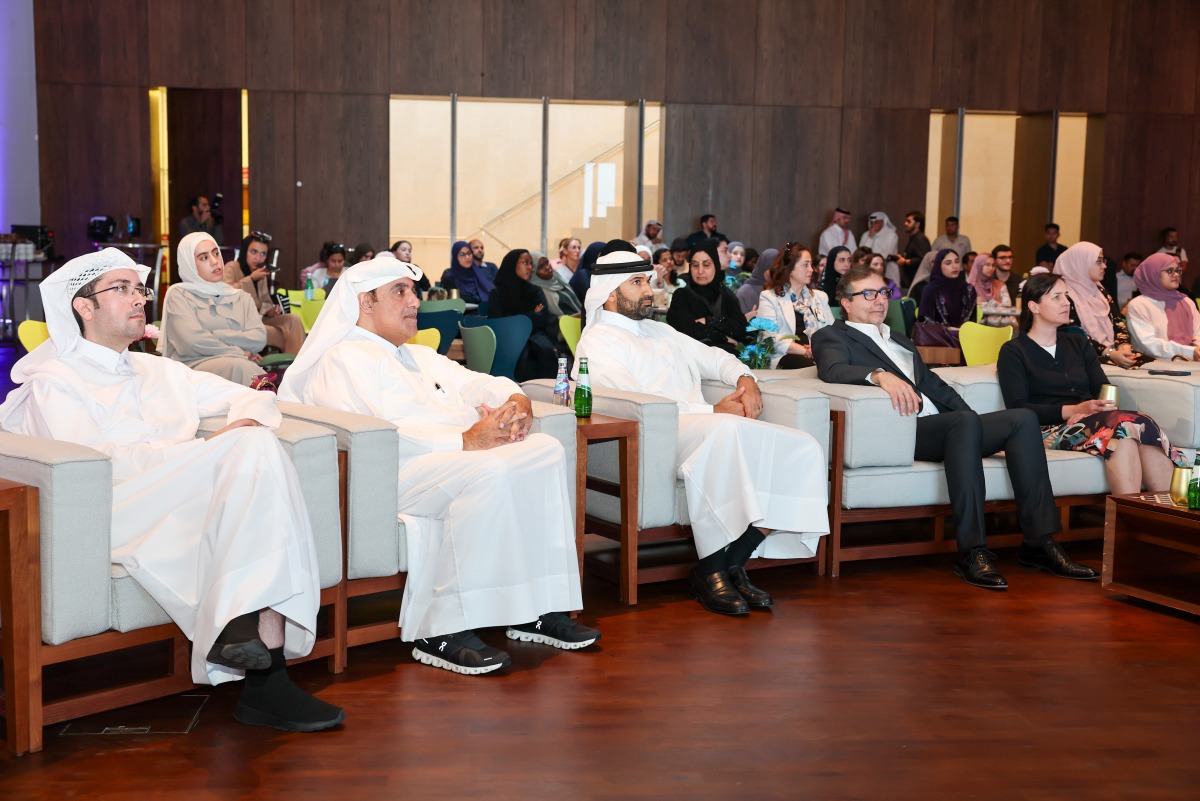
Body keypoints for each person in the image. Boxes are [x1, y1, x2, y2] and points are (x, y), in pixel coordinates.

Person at [0, 248, 343, 731]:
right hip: (117, 507)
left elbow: (257, 399)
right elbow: (95, 470)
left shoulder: (161, 371)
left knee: (257, 446)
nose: (138, 299)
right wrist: (206, 454)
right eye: (120, 289)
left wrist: (233, 436)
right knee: (249, 450)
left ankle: (254, 653)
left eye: (138, 289)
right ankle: (264, 674)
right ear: (83, 307)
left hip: (179, 494)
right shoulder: (55, 381)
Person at [279, 254, 597, 674]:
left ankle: (535, 609)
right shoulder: (342, 359)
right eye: (400, 291)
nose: (415, 301)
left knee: (547, 451)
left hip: (451, 462)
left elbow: (479, 381)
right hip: (394, 475)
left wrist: (515, 401)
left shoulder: (416, 356)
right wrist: (466, 440)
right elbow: (372, 438)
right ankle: (441, 628)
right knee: (492, 468)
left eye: (413, 291)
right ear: (365, 303)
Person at [574, 247, 829, 615]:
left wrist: (746, 377)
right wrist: (710, 409)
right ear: (610, 293)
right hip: (656, 436)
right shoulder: (597, 342)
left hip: (705, 424)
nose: (649, 289)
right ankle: (710, 569)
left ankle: (733, 562)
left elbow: (714, 357)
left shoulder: (660, 331)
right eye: (637, 282)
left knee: (802, 446)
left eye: (647, 280)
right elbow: (633, 404)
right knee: (725, 430)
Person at [812, 263, 1097, 590]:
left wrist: (974, 422)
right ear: (846, 303)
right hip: (908, 433)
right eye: (868, 294)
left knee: (1021, 419)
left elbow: (937, 387)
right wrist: (878, 374)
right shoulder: (831, 335)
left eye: (884, 293)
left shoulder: (900, 340)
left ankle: (1039, 543)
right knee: (963, 423)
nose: (880, 300)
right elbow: (833, 369)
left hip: (950, 427)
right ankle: (972, 551)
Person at [997, 273, 1184, 496]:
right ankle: (1132, 517)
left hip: (1091, 421)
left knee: (1135, 425)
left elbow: (1102, 387)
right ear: (1034, 306)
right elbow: (1019, 408)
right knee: (1126, 429)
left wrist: (1093, 411)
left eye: (1066, 296)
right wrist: (1073, 411)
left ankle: (1160, 517)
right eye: (1057, 297)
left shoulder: (1077, 342)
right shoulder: (1014, 351)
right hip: (1045, 429)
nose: (1066, 303)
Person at [160, 232, 267, 385]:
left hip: (237, 364)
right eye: (204, 258)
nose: (214, 261)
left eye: (216, 254)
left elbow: (259, 339)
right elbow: (192, 342)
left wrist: (216, 334)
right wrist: (239, 352)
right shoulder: (179, 295)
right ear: (189, 264)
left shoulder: (241, 297)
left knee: (243, 368)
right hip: (193, 367)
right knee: (242, 368)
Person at [1053, 242, 1145, 369]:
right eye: (1098, 262)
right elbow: (1074, 334)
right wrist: (1109, 353)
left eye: (1103, 261)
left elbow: (1118, 323)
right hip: (1084, 357)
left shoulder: (1100, 291)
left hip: (1113, 351)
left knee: (1151, 365)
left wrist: (1124, 346)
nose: (1104, 266)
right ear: (1081, 264)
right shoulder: (1064, 295)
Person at [223, 232, 306, 354]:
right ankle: (293, 367)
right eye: (253, 252)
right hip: (239, 322)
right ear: (245, 251)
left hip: (259, 319)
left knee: (294, 320)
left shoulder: (260, 273)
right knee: (288, 336)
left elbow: (265, 302)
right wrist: (251, 279)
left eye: (263, 254)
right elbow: (226, 293)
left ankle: (294, 367)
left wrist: (270, 310)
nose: (258, 258)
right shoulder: (232, 267)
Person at [666, 239, 753, 354]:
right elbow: (686, 331)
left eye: (706, 265)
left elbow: (740, 329)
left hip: (727, 360)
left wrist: (709, 321)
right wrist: (724, 338)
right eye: (695, 265)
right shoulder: (682, 295)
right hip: (693, 359)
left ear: (716, 266)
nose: (700, 271)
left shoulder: (726, 295)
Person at [488, 249, 560, 381]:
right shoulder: (497, 294)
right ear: (512, 264)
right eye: (525, 262)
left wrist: (517, 318)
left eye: (531, 264)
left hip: (534, 336)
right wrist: (531, 315)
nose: (530, 268)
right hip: (507, 341)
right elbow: (498, 323)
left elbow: (542, 319)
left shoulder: (535, 291)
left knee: (547, 352)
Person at [758, 245, 831, 368]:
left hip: (819, 354)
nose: (811, 269)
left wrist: (819, 350)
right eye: (805, 264)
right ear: (789, 269)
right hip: (786, 356)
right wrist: (805, 351)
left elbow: (831, 332)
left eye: (811, 264)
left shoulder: (820, 297)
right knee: (805, 365)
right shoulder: (770, 298)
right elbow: (768, 338)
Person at [1125, 252, 1200, 360]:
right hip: (1153, 368)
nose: (1176, 275)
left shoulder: (1186, 301)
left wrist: (1197, 349)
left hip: (1192, 363)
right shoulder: (1139, 305)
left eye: (1177, 270)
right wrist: (1187, 351)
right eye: (1170, 271)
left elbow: (1198, 332)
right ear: (1153, 273)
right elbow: (1148, 344)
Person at [916, 249, 975, 347]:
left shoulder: (968, 290)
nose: (954, 266)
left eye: (957, 261)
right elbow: (924, 321)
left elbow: (973, 321)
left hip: (966, 340)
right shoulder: (930, 290)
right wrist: (948, 329)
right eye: (948, 263)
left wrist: (963, 331)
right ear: (939, 266)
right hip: (938, 342)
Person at [967, 252, 1017, 327]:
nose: (991, 268)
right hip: (976, 323)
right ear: (979, 266)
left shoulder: (1000, 285)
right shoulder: (970, 286)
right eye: (987, 265)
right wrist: (992, 304)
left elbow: (1007, 307)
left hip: (998, 322)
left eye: (993, 265)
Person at [530, 250, 583, 317]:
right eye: (541, 267)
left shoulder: (558, 279)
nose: (547, 267)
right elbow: (551, 320)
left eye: (547, 263)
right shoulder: (538, 293)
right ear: (533, 272)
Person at [441, 240, 495, 304]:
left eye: (469, 253)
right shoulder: (449, 277)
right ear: (455, 257)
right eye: (462, 254)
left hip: (483, 311)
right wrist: (476, 298)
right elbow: (454, 301)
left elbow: (489, 292)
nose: (467, 257)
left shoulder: (477, 273)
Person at [895, 211, 931, 286]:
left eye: (909, 221)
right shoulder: (913, 238)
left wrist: (905, 261)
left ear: (917, 224)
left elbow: (923, 260)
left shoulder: (920, 239)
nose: (905, 224)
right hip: (910, 281)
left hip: (916, 283)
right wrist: (902, 257)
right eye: (905, 221)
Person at [736, 247, 775, 315]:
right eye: (771, 269)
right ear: (762, 267)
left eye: (778, 269)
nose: (775, 273)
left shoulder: (781, 290)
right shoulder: (744, 292)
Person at [569, 240, 605, 304]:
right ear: (592, 255)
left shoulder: (594, 272)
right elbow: (595, 300)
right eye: (601, 255)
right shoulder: (583, 274)